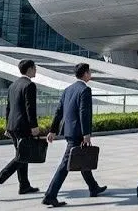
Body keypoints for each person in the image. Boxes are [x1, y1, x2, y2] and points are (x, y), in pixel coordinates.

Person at [43, 63, 106, 208]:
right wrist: (86, 134)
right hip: (78, 132)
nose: (90, 74)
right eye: (89, 72)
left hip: (69, 131)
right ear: (85, 73)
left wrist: (53, 130)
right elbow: (84, 113)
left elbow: (59, 111)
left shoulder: (68, 89)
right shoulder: (85, 90)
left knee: (83, 157)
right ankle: (50, 195)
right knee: (65, 164)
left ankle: (93, 187)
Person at [0, 59, 41, 200]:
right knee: (22, 156)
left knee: (22, 155)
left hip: (13, 126)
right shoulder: (29, 85)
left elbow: (8, 108)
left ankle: (24, 185)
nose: (36, 70)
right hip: (23, 126)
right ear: (29, 69)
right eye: (35, 68)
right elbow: (30, 108)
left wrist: (7, 126)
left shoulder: (13, 85)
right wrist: (34, 126)